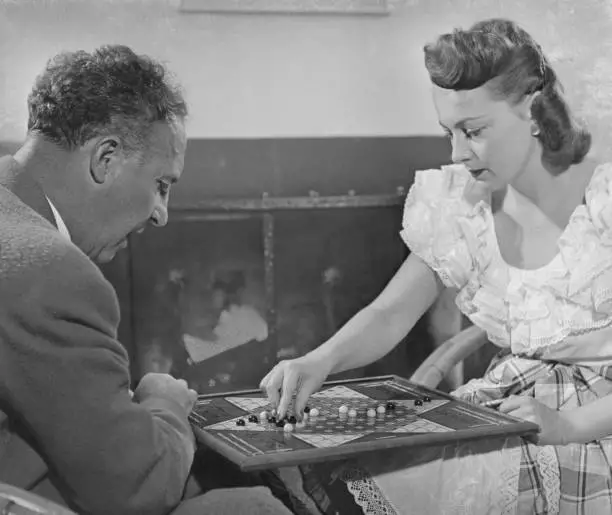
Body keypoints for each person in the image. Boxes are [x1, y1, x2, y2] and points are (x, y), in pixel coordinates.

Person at [260, 18, 612, 514]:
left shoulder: (603, 202)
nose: (457, 153)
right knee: (377, 465)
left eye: (474, 131)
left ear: (532, 111)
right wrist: (320, 361)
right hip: (509, 407)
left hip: (597, 424)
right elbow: (389, 315)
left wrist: (568, 426)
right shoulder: (458, 207)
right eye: (449, 132)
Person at [0, 44, 292, 515]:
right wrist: (166, 402)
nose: (161, 215)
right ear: (107, 159)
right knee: (259, 506)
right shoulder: (50, 271)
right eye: (161, 185)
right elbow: (139, 493)